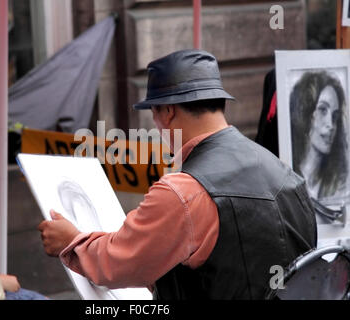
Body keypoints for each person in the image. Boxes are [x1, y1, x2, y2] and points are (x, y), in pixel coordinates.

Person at [38, 50, 317, 299]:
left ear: (168, 112)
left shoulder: (184, 192)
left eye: (155, 116)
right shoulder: (285, 172)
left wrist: (71, 242)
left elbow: (116, 262)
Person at [290, 71, 350, 209]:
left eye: (335, 116)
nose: (331, 125)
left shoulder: (339, 184)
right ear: (305, 113)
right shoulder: (290, 177)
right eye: (323, 110)